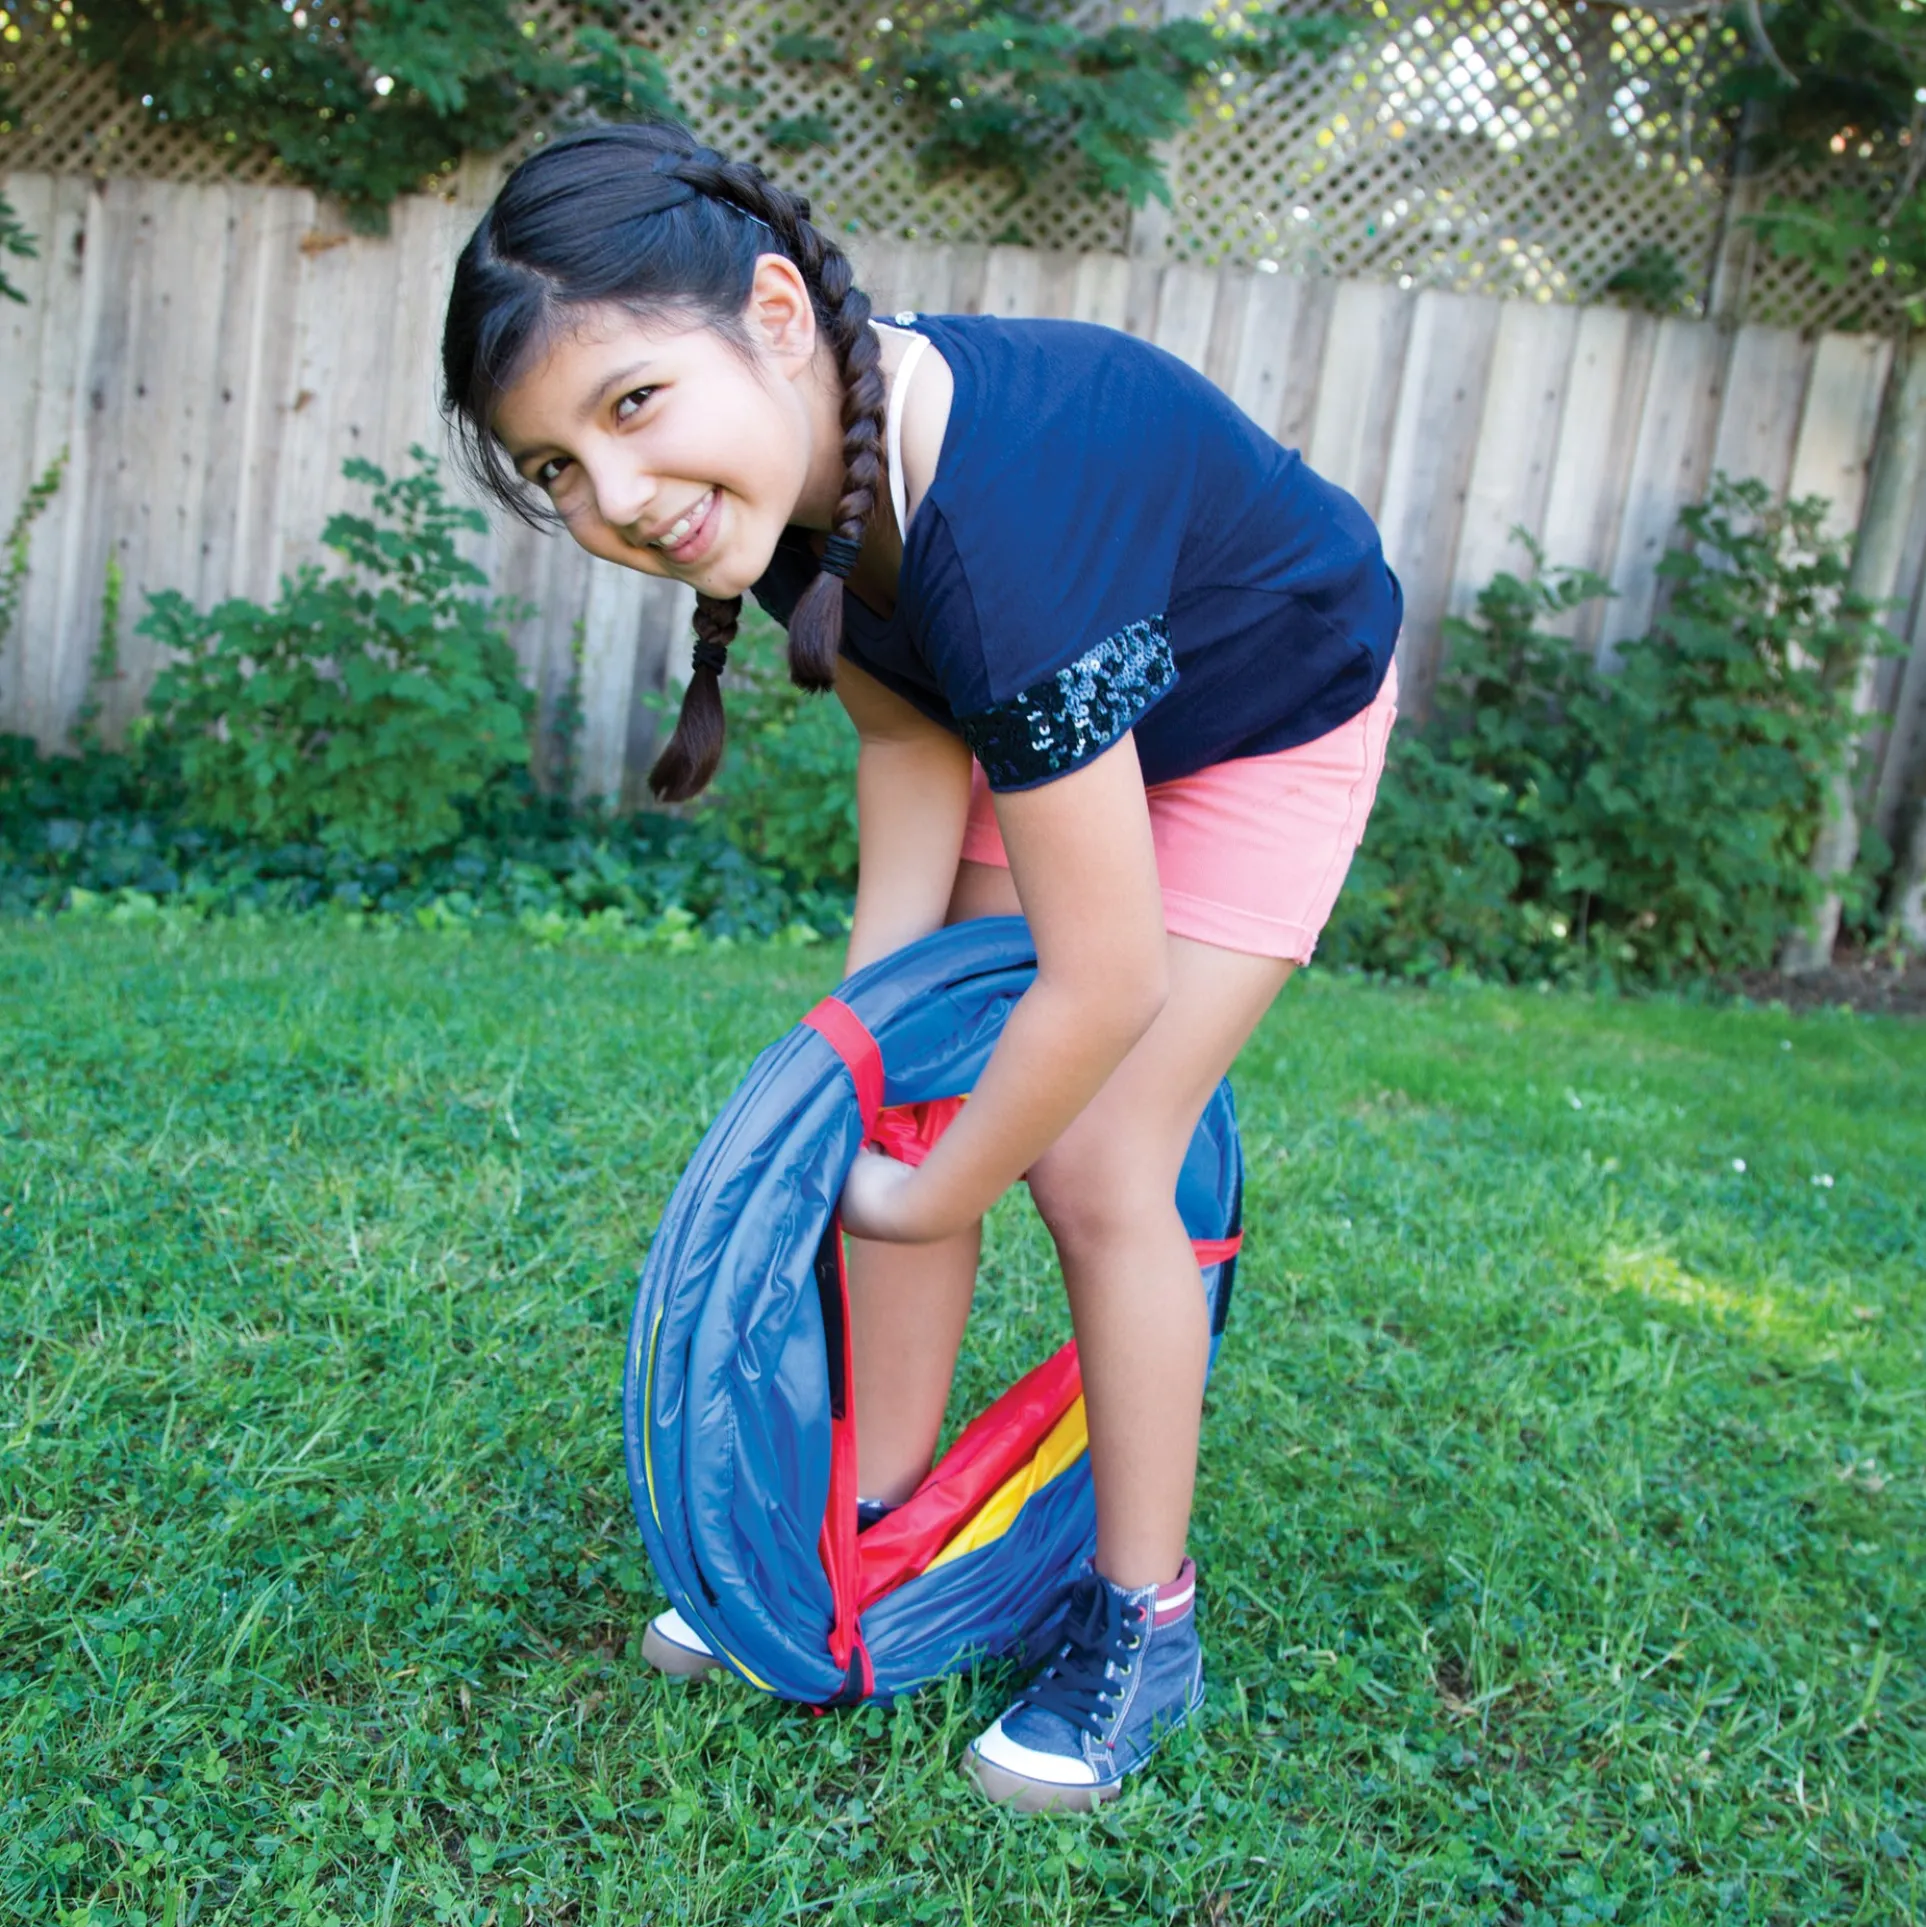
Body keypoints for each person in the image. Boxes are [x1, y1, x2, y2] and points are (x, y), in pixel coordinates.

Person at [441, 120, 1401, 1813]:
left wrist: (926, 1189)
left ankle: (1141, 1621)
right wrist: (868, 1081)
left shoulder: (1000, 530)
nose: (613, 497)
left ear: (776, 314)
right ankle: (873, 1529)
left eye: (632, 404)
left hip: (1262, 716)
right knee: (914, 1116)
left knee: (1102, 1157)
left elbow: (1096, 984)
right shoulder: (813, 482)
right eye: (556, 469)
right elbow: (906, 743)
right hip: (1059, 714)